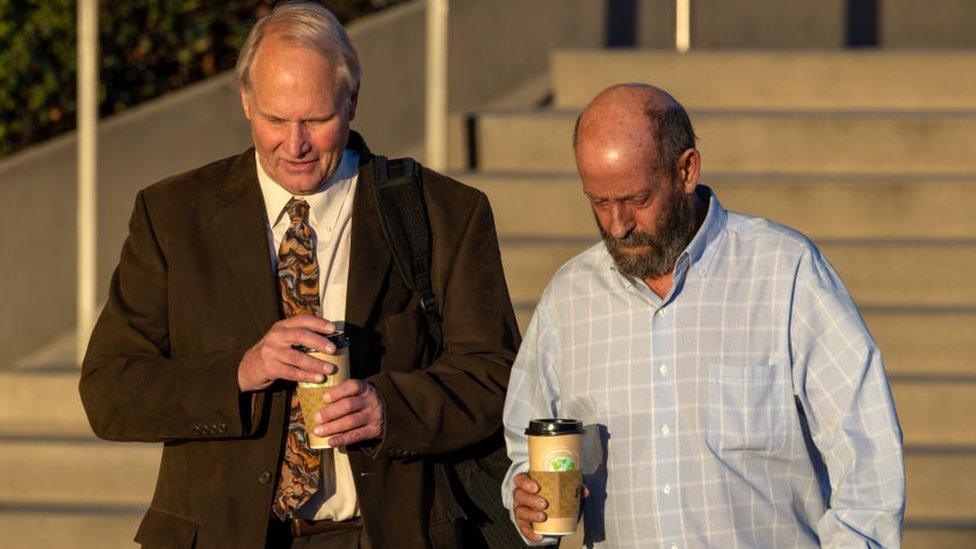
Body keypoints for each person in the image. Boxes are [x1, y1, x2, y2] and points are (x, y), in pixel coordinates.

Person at [79, 2, 519, 547]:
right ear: (245, 101)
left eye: (315, 119)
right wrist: (241, 371)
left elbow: (495, 376)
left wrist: (389, 408)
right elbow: (108, 392)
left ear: (353, 100)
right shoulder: (172, 216)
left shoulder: (445, 212)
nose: (295, 145)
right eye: (275, 119)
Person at [502, 84, 904, 547]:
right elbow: (522, 444)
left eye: (636, 199)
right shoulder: (568, 299)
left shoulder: (785, 272)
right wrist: (525, 500)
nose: (617, 224)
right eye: (599, 202)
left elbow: (868, 455)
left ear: (686, 170)